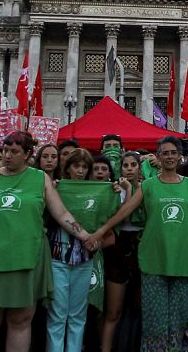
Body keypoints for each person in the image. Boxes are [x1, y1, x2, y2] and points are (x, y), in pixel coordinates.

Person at [85, 136, 188, 351]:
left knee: (180, 319)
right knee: (155, 320)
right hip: (154, 260)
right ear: (158, 157)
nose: (169, 157)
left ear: (179, 156)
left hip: (183, 260)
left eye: (173, 153)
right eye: (165, 153)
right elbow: (126, 210)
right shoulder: (149, 185)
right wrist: (101, 231)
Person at [0, 132, 93, 352]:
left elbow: (61, 213)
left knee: (20, 322)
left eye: (14, 152)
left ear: (27, 154)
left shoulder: (40, 178)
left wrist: (86, 236)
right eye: (4, 150)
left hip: (27, 259)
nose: (7, 156)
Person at [47, 148, 120, 352]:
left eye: (83, 167)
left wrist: (114, 192)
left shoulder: (99, 190)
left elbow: (111, 218)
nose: (79, 170)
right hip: (58, 257)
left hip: (85, 258)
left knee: (78, 314)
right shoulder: (56, 187)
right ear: (67, 168)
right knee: (58, 314)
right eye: (75, 166)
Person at [101, 151, 142, 352]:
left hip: (141, 246)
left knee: (140, 307)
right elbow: (125, 217)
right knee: (113, 311)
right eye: (125, 165)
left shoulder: (148, 188)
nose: (129, 169)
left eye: (133, 165)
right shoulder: (116, 190)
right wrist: (127, 190)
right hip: (119, 248)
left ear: (139, 168)